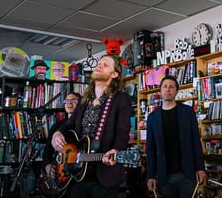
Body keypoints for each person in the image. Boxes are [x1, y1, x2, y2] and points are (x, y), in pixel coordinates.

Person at [51, 55, 131, 198]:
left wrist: (116, 151)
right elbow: (69, 124)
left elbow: (122, 131)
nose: (99, 66)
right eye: (99, 63)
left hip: (104, 173)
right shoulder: (84, 99)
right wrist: (57, 133)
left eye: (105, 65)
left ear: (114, 74)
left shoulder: (121, 99)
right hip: (77, 172)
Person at [146, 75, 207, 198]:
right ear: (160, 91)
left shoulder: (188, 112)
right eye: (165, 86)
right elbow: (150, 150)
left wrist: (200, 168)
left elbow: (196, 141)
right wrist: (150, 175)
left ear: (176, 91)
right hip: (164, 176)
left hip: (187, 174)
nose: (168, 89)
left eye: (171, 87)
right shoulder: (152, 118)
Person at [41, 92, 81, 194]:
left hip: (77, 173)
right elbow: (47, 151)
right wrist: (47, 166)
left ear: (81, 104)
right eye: (67, 101)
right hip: (59, 172)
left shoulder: (83, 125)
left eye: (73, 101)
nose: (69, 103)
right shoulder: (57, 126)